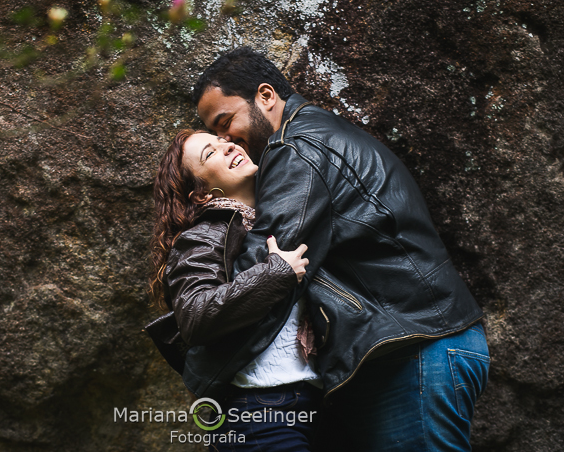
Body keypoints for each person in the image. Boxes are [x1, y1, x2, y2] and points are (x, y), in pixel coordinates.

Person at [192, 47, 490, 452]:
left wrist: (201, 349)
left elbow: (266, 262)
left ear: (265, 96)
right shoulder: (322, 131)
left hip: (414, 352)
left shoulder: (296, 149)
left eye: (225, 122)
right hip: (425, 342)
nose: (226, 140)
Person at [146, 129, 322, 451]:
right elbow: (195, 314)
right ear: (201, 195)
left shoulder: (278, 215)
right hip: (257, 412)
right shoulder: (202, 236)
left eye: (223, 141)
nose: (227, 147)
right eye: (209, 153)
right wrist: (276, 274)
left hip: (314, 401)